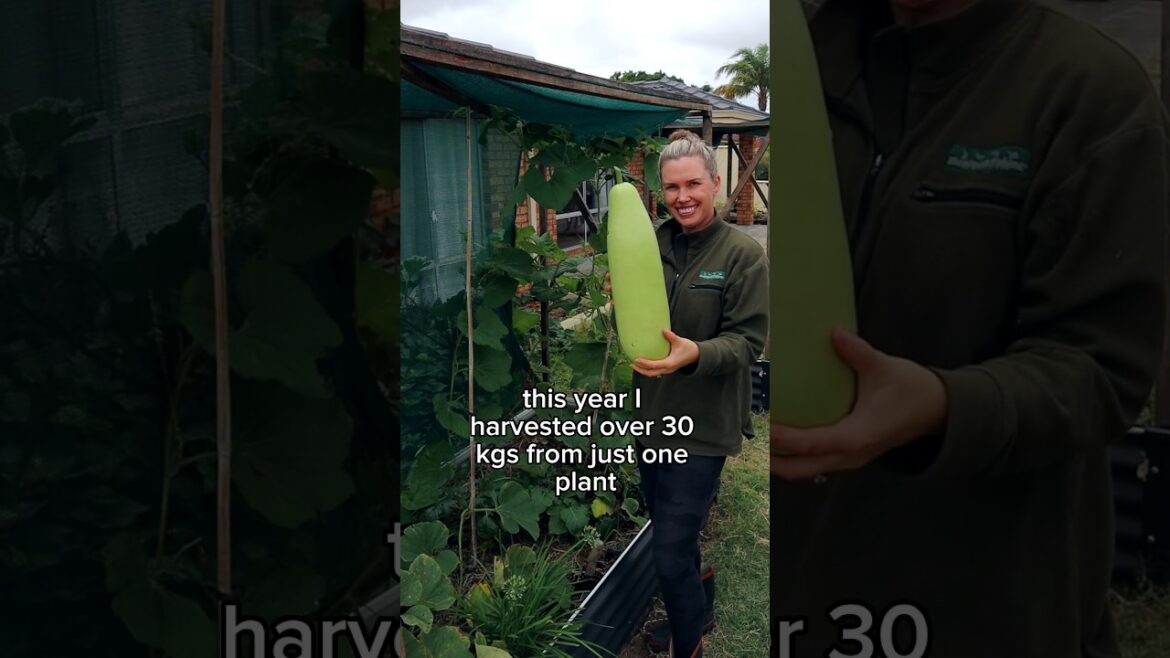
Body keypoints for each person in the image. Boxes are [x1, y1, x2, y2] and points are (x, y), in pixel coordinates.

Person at [771, 0, 1169, 656]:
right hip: (799, 584)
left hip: (983, 599)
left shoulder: (1089, 94)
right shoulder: (806, 62)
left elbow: (1102, 369)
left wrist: (945, 405)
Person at [614, 129, 768, 657]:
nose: (683, 196)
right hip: (652, 415)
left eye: (694, 184)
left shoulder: (743, 255)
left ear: (716, 183)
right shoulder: (648, 242)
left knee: (668, 551)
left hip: (702, 425)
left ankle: (687, 645)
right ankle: (701, 596)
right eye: (672, 186)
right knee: (669, 527)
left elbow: (748, 344)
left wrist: (694, 354)